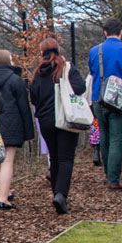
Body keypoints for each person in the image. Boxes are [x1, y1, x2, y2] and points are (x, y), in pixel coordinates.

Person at [29, 38, 88, 214]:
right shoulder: (66, 68)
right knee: (66, 158)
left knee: (54, 158)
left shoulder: (38, 73)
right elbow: (80, 87)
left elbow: (34, 96)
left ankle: (56, 192)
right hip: (65, 118)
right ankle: (61, 195)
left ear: (42, 53)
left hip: (46, 121)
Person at [88, 18, 122, 190]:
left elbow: (92, 73)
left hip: (98, 98)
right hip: (119, 100)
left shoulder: (95, 51)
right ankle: (114, 178)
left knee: (104, 137)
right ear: (121, 32)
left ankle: (108, 172)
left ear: (105, 32)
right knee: (117, 139)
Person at [0, 49, 34, 210]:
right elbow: (23, 107)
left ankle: (4, 191)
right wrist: (28, 130)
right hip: (12, 123)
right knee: (7, 161)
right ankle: (3, 198)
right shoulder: (15, 80)